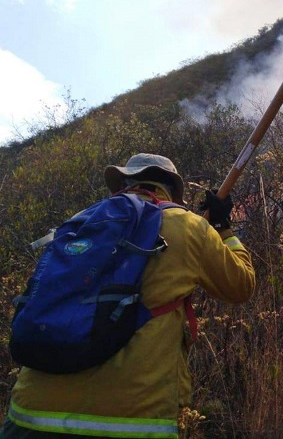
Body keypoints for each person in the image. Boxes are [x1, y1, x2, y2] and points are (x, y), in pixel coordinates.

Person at [2, 153, 255, 438]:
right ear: (172, 189)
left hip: (29, 414)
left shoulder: (82, 221)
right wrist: (222, 228)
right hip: (130, 420)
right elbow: (241, 285)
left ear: (122, 184)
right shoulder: (190, 226)